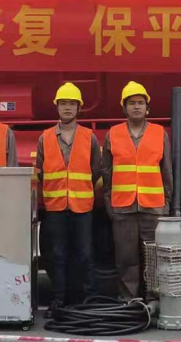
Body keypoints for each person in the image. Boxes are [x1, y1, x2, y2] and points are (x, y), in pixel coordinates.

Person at [101, 81, 172, 301]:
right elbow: (107, 172)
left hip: (153, 207)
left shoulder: (160, 133)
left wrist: (166, 203)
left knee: (154, 258)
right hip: (123, 207)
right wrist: (109, 202)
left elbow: (167, 171)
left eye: (141, 102)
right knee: (126, 259)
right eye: (132, 103)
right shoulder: (113, 134)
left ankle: (154, 299)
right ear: (124, 108)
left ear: (147, 107)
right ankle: (128, 300)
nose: (137, 106)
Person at [36, 83, 101, 314]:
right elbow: (41, 171)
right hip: (55, 207)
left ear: (78, 108)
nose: (67, 108)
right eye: (63, 103)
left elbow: (96, 170)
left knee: (85, 255)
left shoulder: (89, 137)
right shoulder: (45, 138)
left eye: (71, 104)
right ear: (57, 106)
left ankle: (89, 299)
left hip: (82, 206)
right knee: (58, 256)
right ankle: (59, 299)